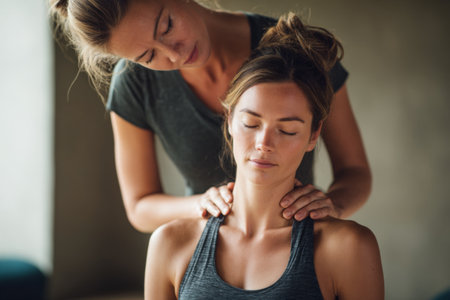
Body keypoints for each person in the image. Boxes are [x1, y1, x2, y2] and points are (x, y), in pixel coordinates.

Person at [49, 0, 372, 233]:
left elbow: (355, 171)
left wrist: (333, 206)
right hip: (203, 254)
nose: (174, 54)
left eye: (167, 26)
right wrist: (203, 205)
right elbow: (139, 207)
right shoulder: (134, 83)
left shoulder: (296, 51)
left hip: (297, 243)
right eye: (148, 56)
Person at [144, 13, 384, 299]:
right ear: (230, 120)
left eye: (288, 130)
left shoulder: (349, 248)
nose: (264, 143)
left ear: (313, 135)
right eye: (251, 124)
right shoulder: (170, 243)